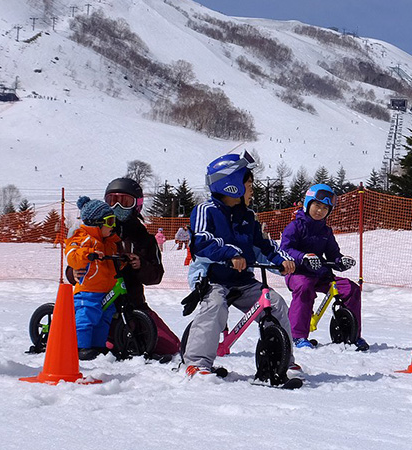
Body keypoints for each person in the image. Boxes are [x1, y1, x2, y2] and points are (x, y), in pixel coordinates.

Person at [183, 151, 296, 376]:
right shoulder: (206, 211)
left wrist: (281, 259)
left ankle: (284, 360)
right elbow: (201, 241)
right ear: (231, 184)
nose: (252, 189)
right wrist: (229, 254)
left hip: (243, 282)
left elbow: (264, 245)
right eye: (249, 183)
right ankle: (196, 362)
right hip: (213, 279)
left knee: (276, 304)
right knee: (214, 307)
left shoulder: (248, 216)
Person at [280, 184, 367, 351]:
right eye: (317, 206)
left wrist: (341, 261)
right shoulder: (295, 226)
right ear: (308, 204)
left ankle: (352, 334)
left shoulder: (326, 231)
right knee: (305, 287)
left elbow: (333, 253)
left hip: (320, 275)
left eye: (325, 208)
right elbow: (285, 250)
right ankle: (297, 335)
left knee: (351, 288)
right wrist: (303, 257)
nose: (320, 211)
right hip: (297, 273)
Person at [103, 177, 180, 359]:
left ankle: (120, 339)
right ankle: (110, 339)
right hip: (102, 303)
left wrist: (140, 265)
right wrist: (74, 272)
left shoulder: (144, 239)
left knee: (171, 347)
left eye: (125, 202)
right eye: (112, 201)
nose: (117, 207)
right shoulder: (101, 231)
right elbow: (77, 264)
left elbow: (155, 276)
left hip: (134, 306)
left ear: (136, 205)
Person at [65, 196, 120, 361]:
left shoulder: (109, 242)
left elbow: (110, 263)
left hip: (106, 290)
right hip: (89, 290)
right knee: (86, 317)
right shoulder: (82, 239)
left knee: (104, 318)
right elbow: (71, 255)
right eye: (109, 221)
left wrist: (122, 260)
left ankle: (97, 346)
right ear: (97, 223)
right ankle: (80, 346)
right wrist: (88, 254)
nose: (113, 226)